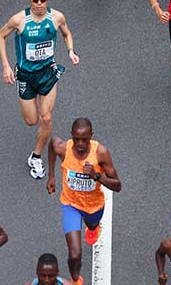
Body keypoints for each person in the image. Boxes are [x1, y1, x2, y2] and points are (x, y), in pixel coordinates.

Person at [0, 0, 80, 179]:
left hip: (47, 74)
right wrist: (6, 66)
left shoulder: (57, 17)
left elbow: (67, 33)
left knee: (47, 117)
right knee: (31, 120)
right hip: (26, 76)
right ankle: (36, 148)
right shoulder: (19, 20)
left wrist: (70, 50)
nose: (39, 3)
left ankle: (36, 156)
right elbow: (0, 35)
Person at [47, 118, 122, 285]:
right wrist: (51, 175)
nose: (80, 144)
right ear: (71, 136)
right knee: (75, 254)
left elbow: (117, 185)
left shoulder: (100, 153)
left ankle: (93, 228)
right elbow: (52, 143)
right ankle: (76, 280)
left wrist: (97, 176)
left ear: (91, 136)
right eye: (76, 139)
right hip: (70, 205)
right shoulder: (63, 148)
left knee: (92, 225)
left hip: (93, 206)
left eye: (85, 139)